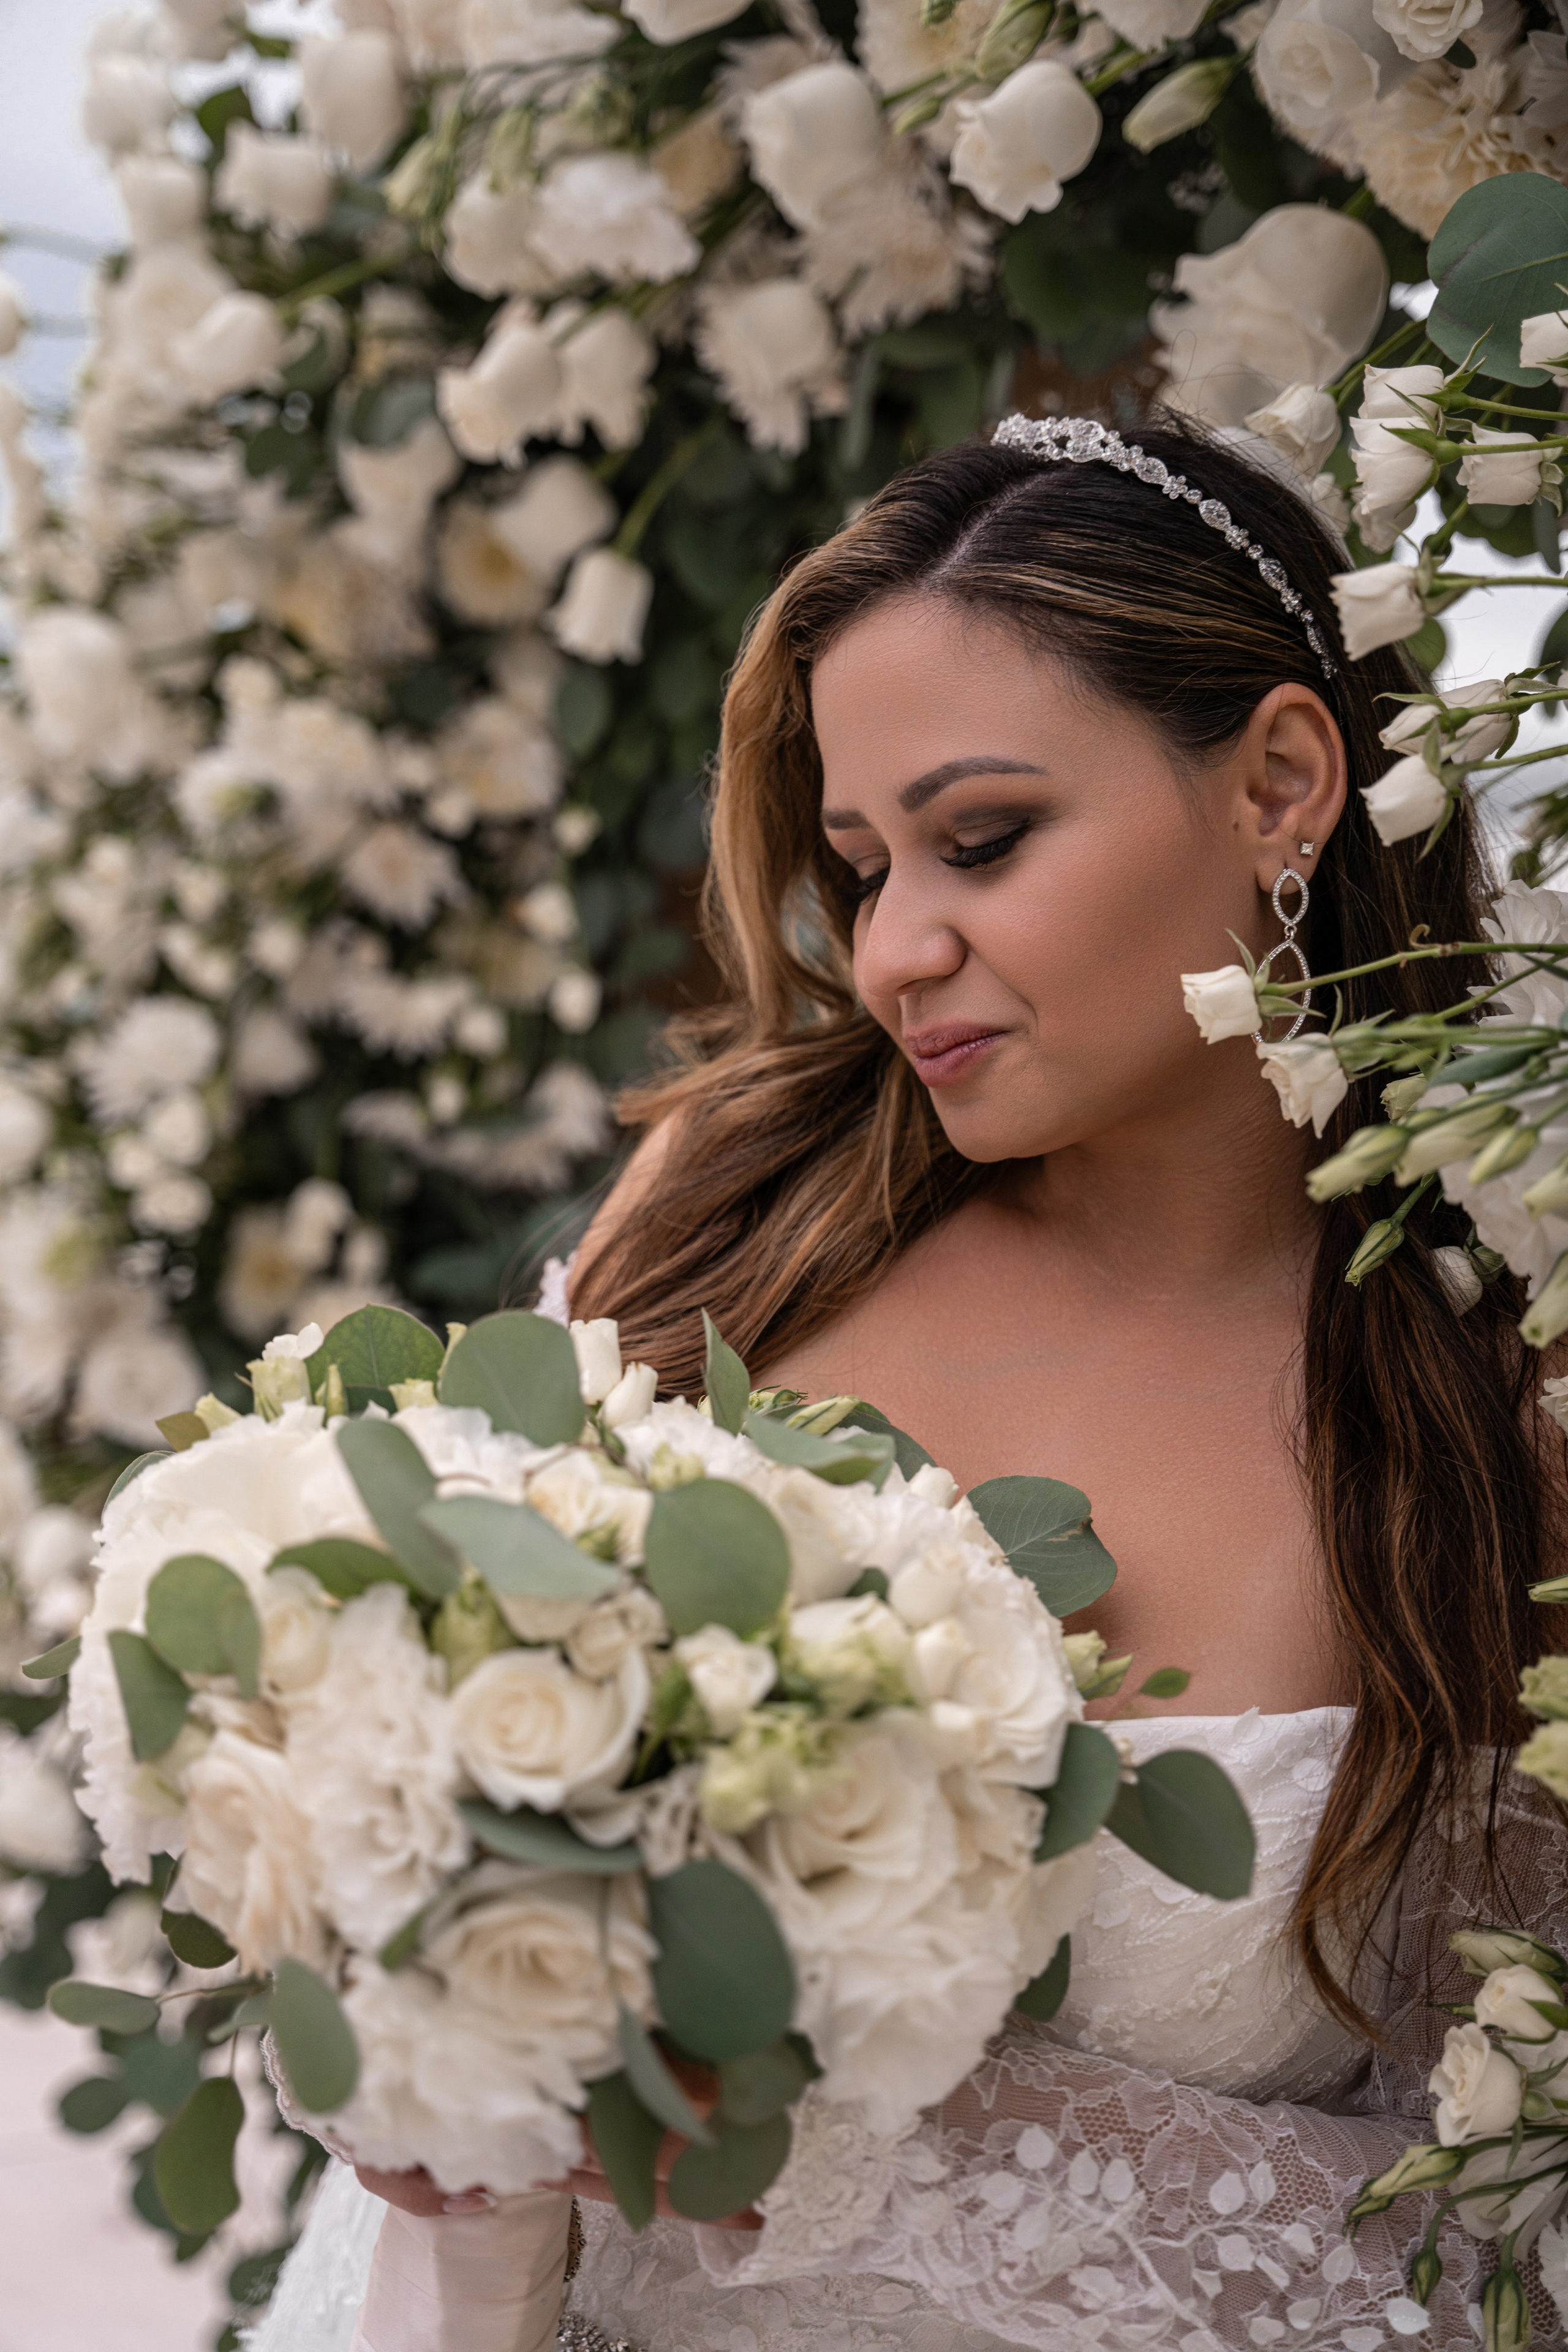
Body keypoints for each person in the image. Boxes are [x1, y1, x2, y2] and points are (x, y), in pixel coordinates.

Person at [250, 413, 1568, 2352]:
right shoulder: (734, 1215)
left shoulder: (1496, 1409)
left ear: (1283, 782)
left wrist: (832, 2152)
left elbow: (1498, 2247)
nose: (891, 954)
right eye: (864, 868)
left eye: (984, 840)